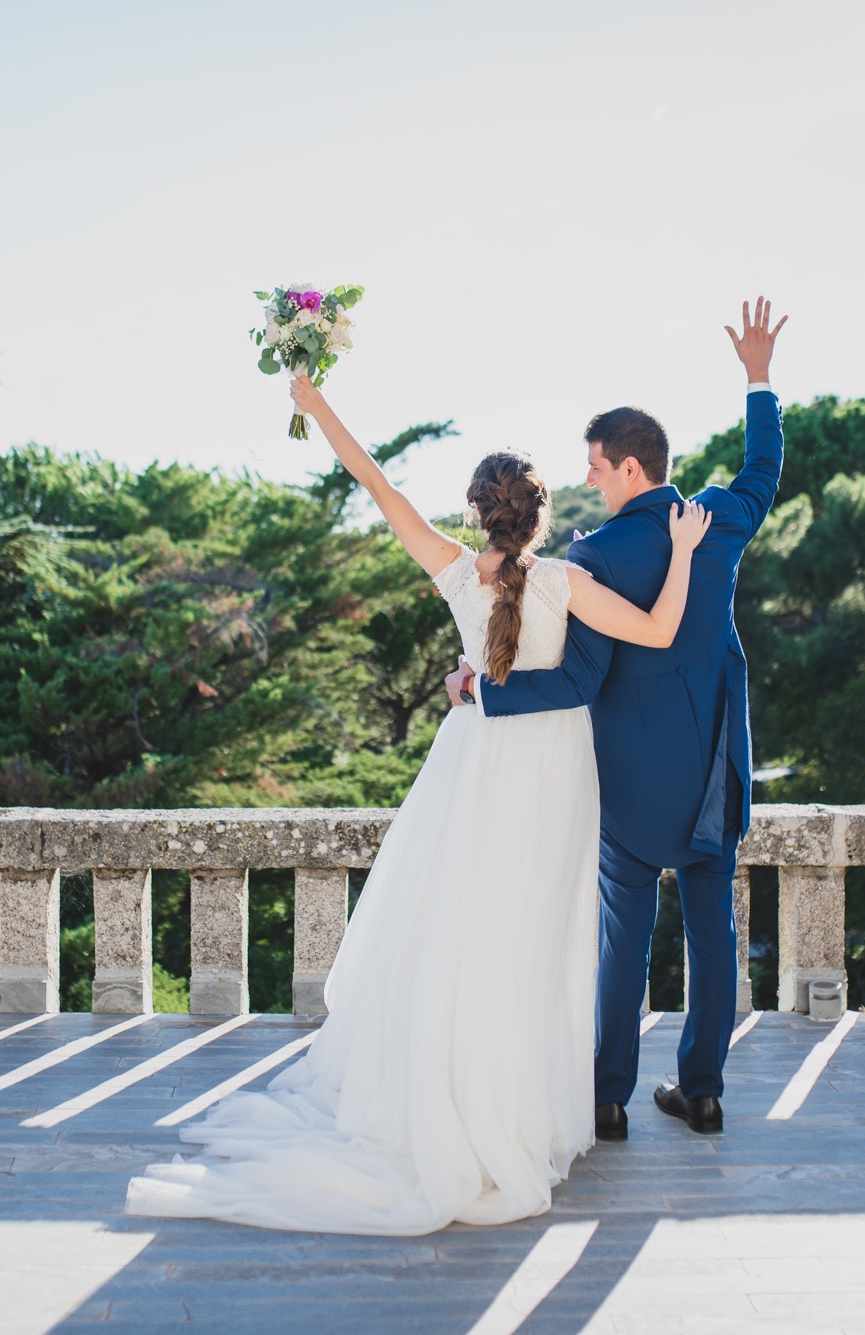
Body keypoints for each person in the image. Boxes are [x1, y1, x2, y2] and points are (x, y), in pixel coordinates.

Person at [124, 372, 711, 1235]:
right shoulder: (566, 581)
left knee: (461, 930)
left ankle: (451, 1100)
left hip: (474, 762)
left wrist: (315, 404)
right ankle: (518, 1110)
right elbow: (660, 632)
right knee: (532, 939)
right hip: (554, 772)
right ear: (539, 516)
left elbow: (377, 483)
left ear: (480, 514)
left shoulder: (452, 570)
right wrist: (688, 551)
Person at [445, 296, 787, 1141]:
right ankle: (702, 1090)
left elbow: (573, 681)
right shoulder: (712, 521)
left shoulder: (595, 556)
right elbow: (763, 473)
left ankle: (608, 1098)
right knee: (713, 927)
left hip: (629, 778)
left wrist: (482, 691)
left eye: (596, 465)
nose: (588, 478)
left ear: (630, 469)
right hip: (713, 762)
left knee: (624, 940)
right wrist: (757, 377)